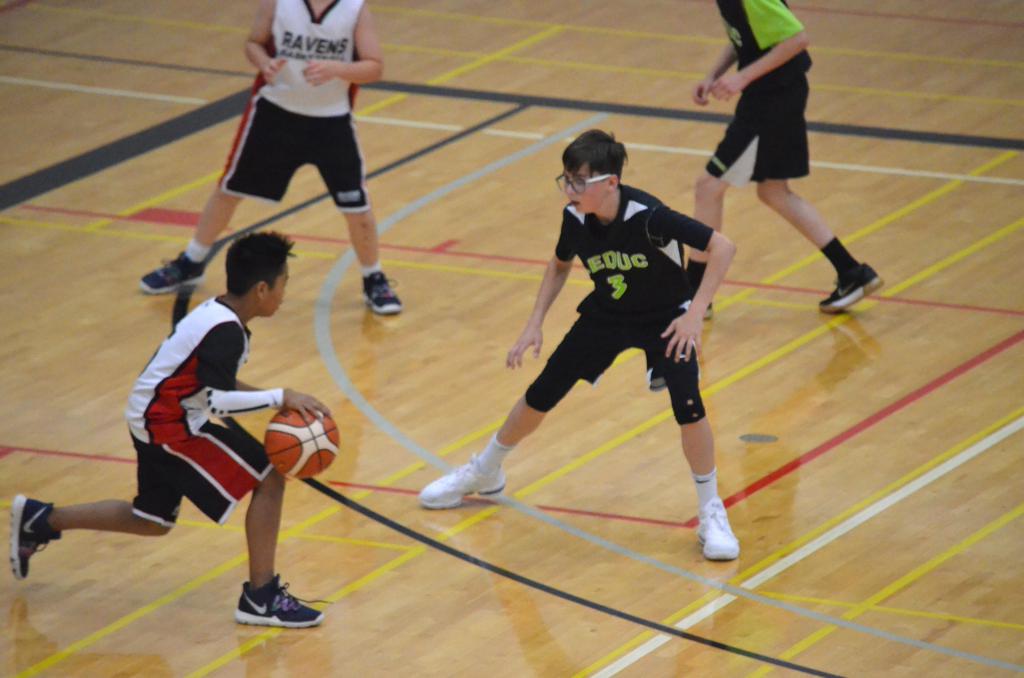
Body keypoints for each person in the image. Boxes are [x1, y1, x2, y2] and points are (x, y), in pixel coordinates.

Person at [419, 130, 740, 561]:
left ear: (610, 183)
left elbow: (722, 246)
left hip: (666, 318)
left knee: (689, 406)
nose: (569, 189)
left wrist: (695, 312)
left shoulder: (649, 216)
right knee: (542, 392)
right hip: (608, 315)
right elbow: (559, 265)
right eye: (566, 179)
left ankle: (710, 511)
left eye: (578, 181)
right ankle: (485, 471)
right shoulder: (574, 218)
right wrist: (534, 323)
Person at [12, 232, 332, 628]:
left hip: (157, 415)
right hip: (167, 423)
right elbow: (216, 401)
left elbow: (214, 385)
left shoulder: (219, 315)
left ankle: (40, 519)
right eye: (284, 283)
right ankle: (260, 598)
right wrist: (279, 395)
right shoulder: (225, 332)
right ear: (262, 289)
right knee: (269, 477)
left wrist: (277, 400)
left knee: (152, 519)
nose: (285, 293)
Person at [140, 0, 402, 316]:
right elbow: (253, 43)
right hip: (275, 115)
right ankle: (191, 262)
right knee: (229, 189)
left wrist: (336, 69)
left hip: (331, 121)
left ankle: (374, 278)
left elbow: (374, 66)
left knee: (357, 208)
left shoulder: (354, 9)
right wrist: (264, 62)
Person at [687, 0, 882, 317]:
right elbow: (746, 37)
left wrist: (741, 78)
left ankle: (694, 295)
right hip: (778, 93)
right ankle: (851, 272)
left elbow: (797, 39)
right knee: (773, 191)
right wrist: (714, 75)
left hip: (771, 99)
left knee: (708, 187)